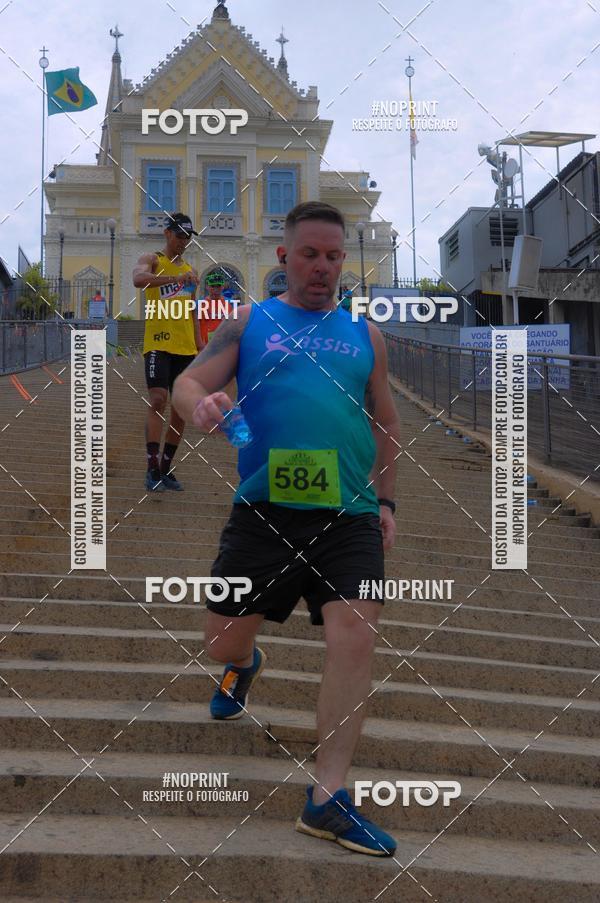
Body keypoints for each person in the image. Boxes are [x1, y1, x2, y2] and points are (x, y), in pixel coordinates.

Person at [172, 201, 401, 857]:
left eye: (334, 255)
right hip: (265, 511)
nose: (324, 266)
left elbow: (385, 421)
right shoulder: (251, 322)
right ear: (284, 258)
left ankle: (328, 797)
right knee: (220, 641)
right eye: (310, 254)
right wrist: (203, 404)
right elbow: (189, 381)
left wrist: (387, 503)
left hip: (349, 513)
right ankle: (243, 664)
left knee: (356, 628)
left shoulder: (366, 334)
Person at [133, 212, 203, 492]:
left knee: (180, 411)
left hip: (185, 348)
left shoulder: (190, 271)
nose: (183, 241)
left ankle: (165, 468)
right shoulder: (152, 259)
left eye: (187, 237)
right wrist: (172, 279)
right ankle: (151, 467)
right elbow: (139, 280)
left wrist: (200, 345)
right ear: (167, 234)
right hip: (158, 344)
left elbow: (192, 309)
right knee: (158, 399)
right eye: (179, 235)